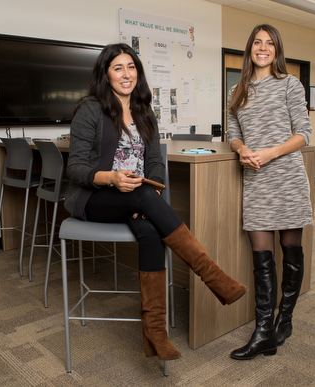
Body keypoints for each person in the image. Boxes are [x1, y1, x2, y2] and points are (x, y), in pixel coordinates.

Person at [64, 43, 248, 361]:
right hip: (96, 198)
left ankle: (155, 334)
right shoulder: (90, 109)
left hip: (138, 196)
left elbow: (154, 163)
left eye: (131, 67)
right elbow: (76, 168)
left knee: (151, 233)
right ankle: (214, 277)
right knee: (148, 200)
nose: (126, 74)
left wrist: (153, 190)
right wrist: (112, 178)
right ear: (105, 74)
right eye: (118, 67)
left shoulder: (144, 110)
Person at [226, 24, 313, 360]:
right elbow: (232, 132)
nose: (263, 48)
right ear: (250, 49)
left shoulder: (289, 84)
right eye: (257, 43)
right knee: (261, 256)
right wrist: (241, 149)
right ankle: (264, 331)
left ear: (277, 50)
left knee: (290, 251)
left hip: (287, 178)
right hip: (257, 180)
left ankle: (284, 320)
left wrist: (270, 152)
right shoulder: (238, 89)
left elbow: (304, 133)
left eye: (269, 43)